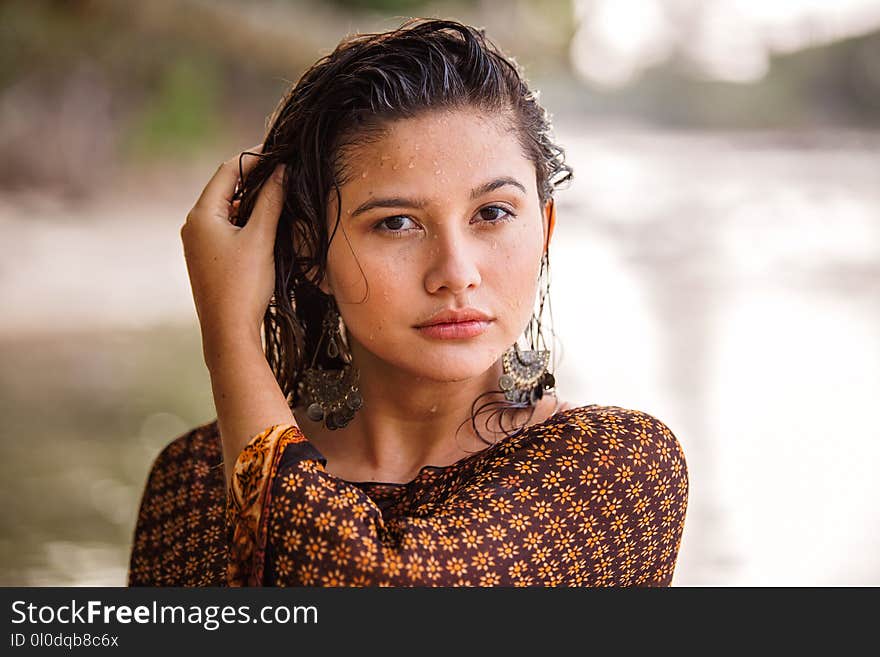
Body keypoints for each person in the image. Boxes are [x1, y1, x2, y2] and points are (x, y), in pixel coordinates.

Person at [128, 18, 688, 587]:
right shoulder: (194, 479)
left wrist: (231, 338)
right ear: (311, 251)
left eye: (492, 213)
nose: (456, 273)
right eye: (397, 223)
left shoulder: (614, 469)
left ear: (544, 229)